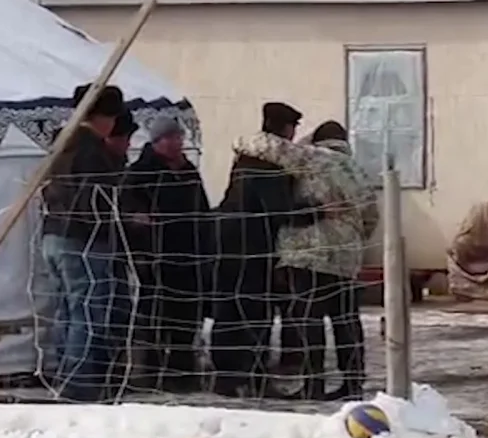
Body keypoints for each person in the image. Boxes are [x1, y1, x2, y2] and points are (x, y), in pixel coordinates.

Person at [240, 120, 379, 401]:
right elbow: (371, 216)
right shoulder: (358, 171)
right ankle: (352, 384)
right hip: (345, 258)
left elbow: (266, 145)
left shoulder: (312, 158)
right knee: (346, 320)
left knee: (310, 319)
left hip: (308, 255)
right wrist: (351, 241)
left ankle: (314, 383)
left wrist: (240, 142)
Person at [211, 102, 314, 398]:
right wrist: (317, 212)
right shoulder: (271, 165)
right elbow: (280, 209)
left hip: (227, 240)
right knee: (254, 311)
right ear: (286, 129)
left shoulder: (245, 158)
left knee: (227, 309)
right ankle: (252, 376)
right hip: (252, 245)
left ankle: (226, 377)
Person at [40, 84, 130, 401]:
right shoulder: (92, 150)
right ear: (104, 117)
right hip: (84, 237)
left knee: (65, 309)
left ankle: (63, 375)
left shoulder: (59, 143)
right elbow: (100, 200)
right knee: (86, 311)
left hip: (52, 234)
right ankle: (77, 383)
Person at [123, 117, 211, 392]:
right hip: (155, 255)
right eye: (171, 138)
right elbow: (128, 213)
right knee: (156, 314)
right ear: (157, 141)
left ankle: (183, 371)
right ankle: (151, 371)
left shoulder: (187, 172)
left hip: (189, 254)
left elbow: (202, 210)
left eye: (179, 137)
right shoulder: (140, 173)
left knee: (187, 315)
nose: (177, 142)